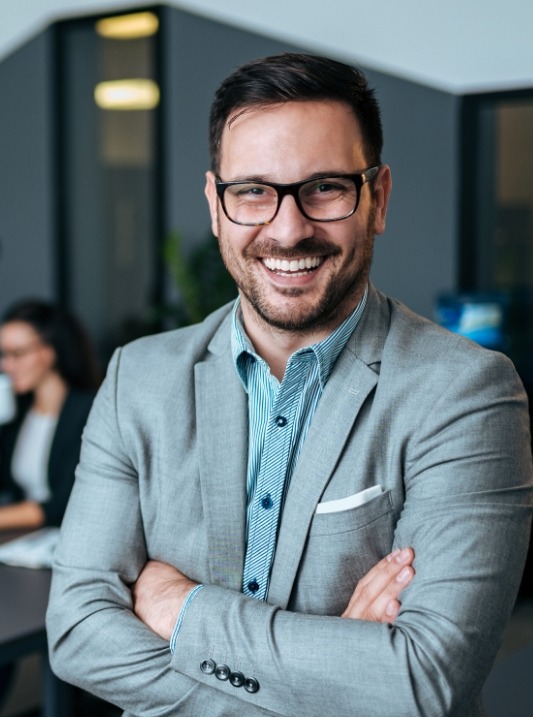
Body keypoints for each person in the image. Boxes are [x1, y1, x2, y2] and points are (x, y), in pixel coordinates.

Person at [46, 53, 533, 717]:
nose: (286, 228)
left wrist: (178, 605)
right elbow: (77, 633)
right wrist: (338, 682)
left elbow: (423, 681)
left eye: (324, 187)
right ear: (216, 206)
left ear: (378, 198)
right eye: (252, 191)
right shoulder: (139, 377)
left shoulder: (465, 391)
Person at [0, 299, 100, 529]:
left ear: (49, 351)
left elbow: (63, 504)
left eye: (17, 353)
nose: (7, 365)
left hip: (69, 537)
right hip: (25, 542)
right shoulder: (17, 412)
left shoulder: (87, 411)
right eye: (4, 355)